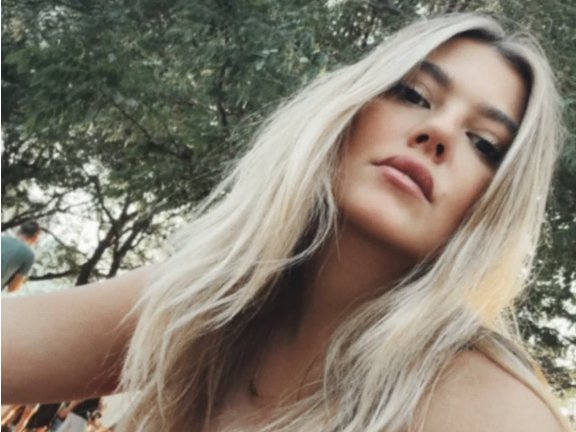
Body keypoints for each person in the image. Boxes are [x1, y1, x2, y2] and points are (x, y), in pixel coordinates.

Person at [1, 13, 572, 432]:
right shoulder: (201, 304)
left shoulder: (488, 407)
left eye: (484, 143)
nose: (439, 132)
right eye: (413, 94)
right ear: (347, 111)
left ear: (494, 203)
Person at [1, 221, 41, 293]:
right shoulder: (29, 255)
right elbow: (12, 288)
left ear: (19, 231)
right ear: (35, 238)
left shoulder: (1, 238)